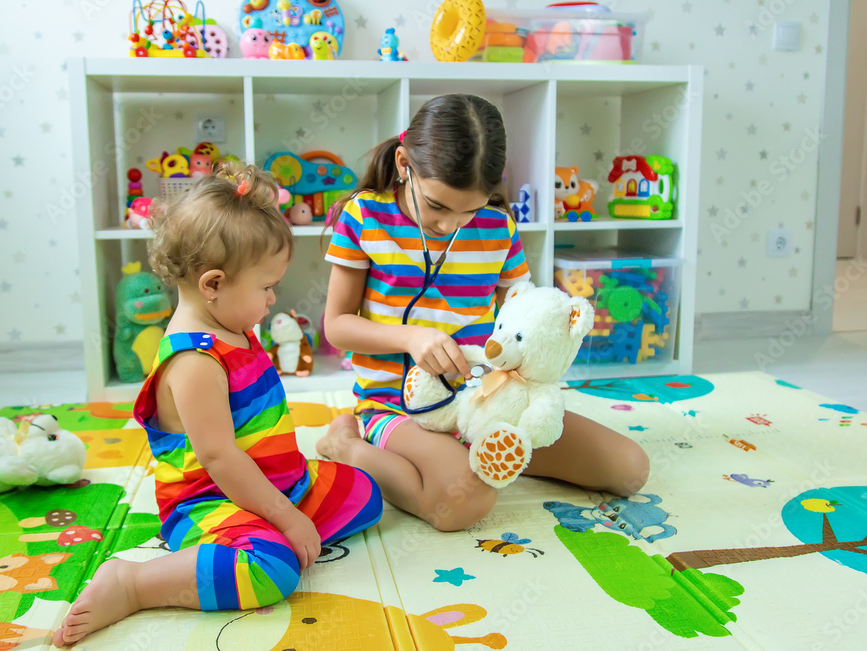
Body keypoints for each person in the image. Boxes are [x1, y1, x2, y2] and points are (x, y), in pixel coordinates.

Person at [54, 163, 383, 647]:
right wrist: (287, 518)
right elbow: (220, 458)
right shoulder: (194, 360)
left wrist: (285, 502)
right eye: (266, 287)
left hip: (277, 482)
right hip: (209, 499)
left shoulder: (232, 324)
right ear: (212, 284)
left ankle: (275, 521)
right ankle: (134, 584)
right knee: (271, 572)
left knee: (366, 496)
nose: (273, 299)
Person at [315, 94, 649, 533]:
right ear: (403, 164)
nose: (449, 225)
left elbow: (523, 308)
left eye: (468, 210)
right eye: (436, 206)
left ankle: (487, 456)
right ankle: (348, 447)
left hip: (489, 400)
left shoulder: (498, 228)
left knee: (630, 470)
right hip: (395, 407)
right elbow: (337, 326)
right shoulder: (363, 217)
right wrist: (411, 338)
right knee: (463, 503)